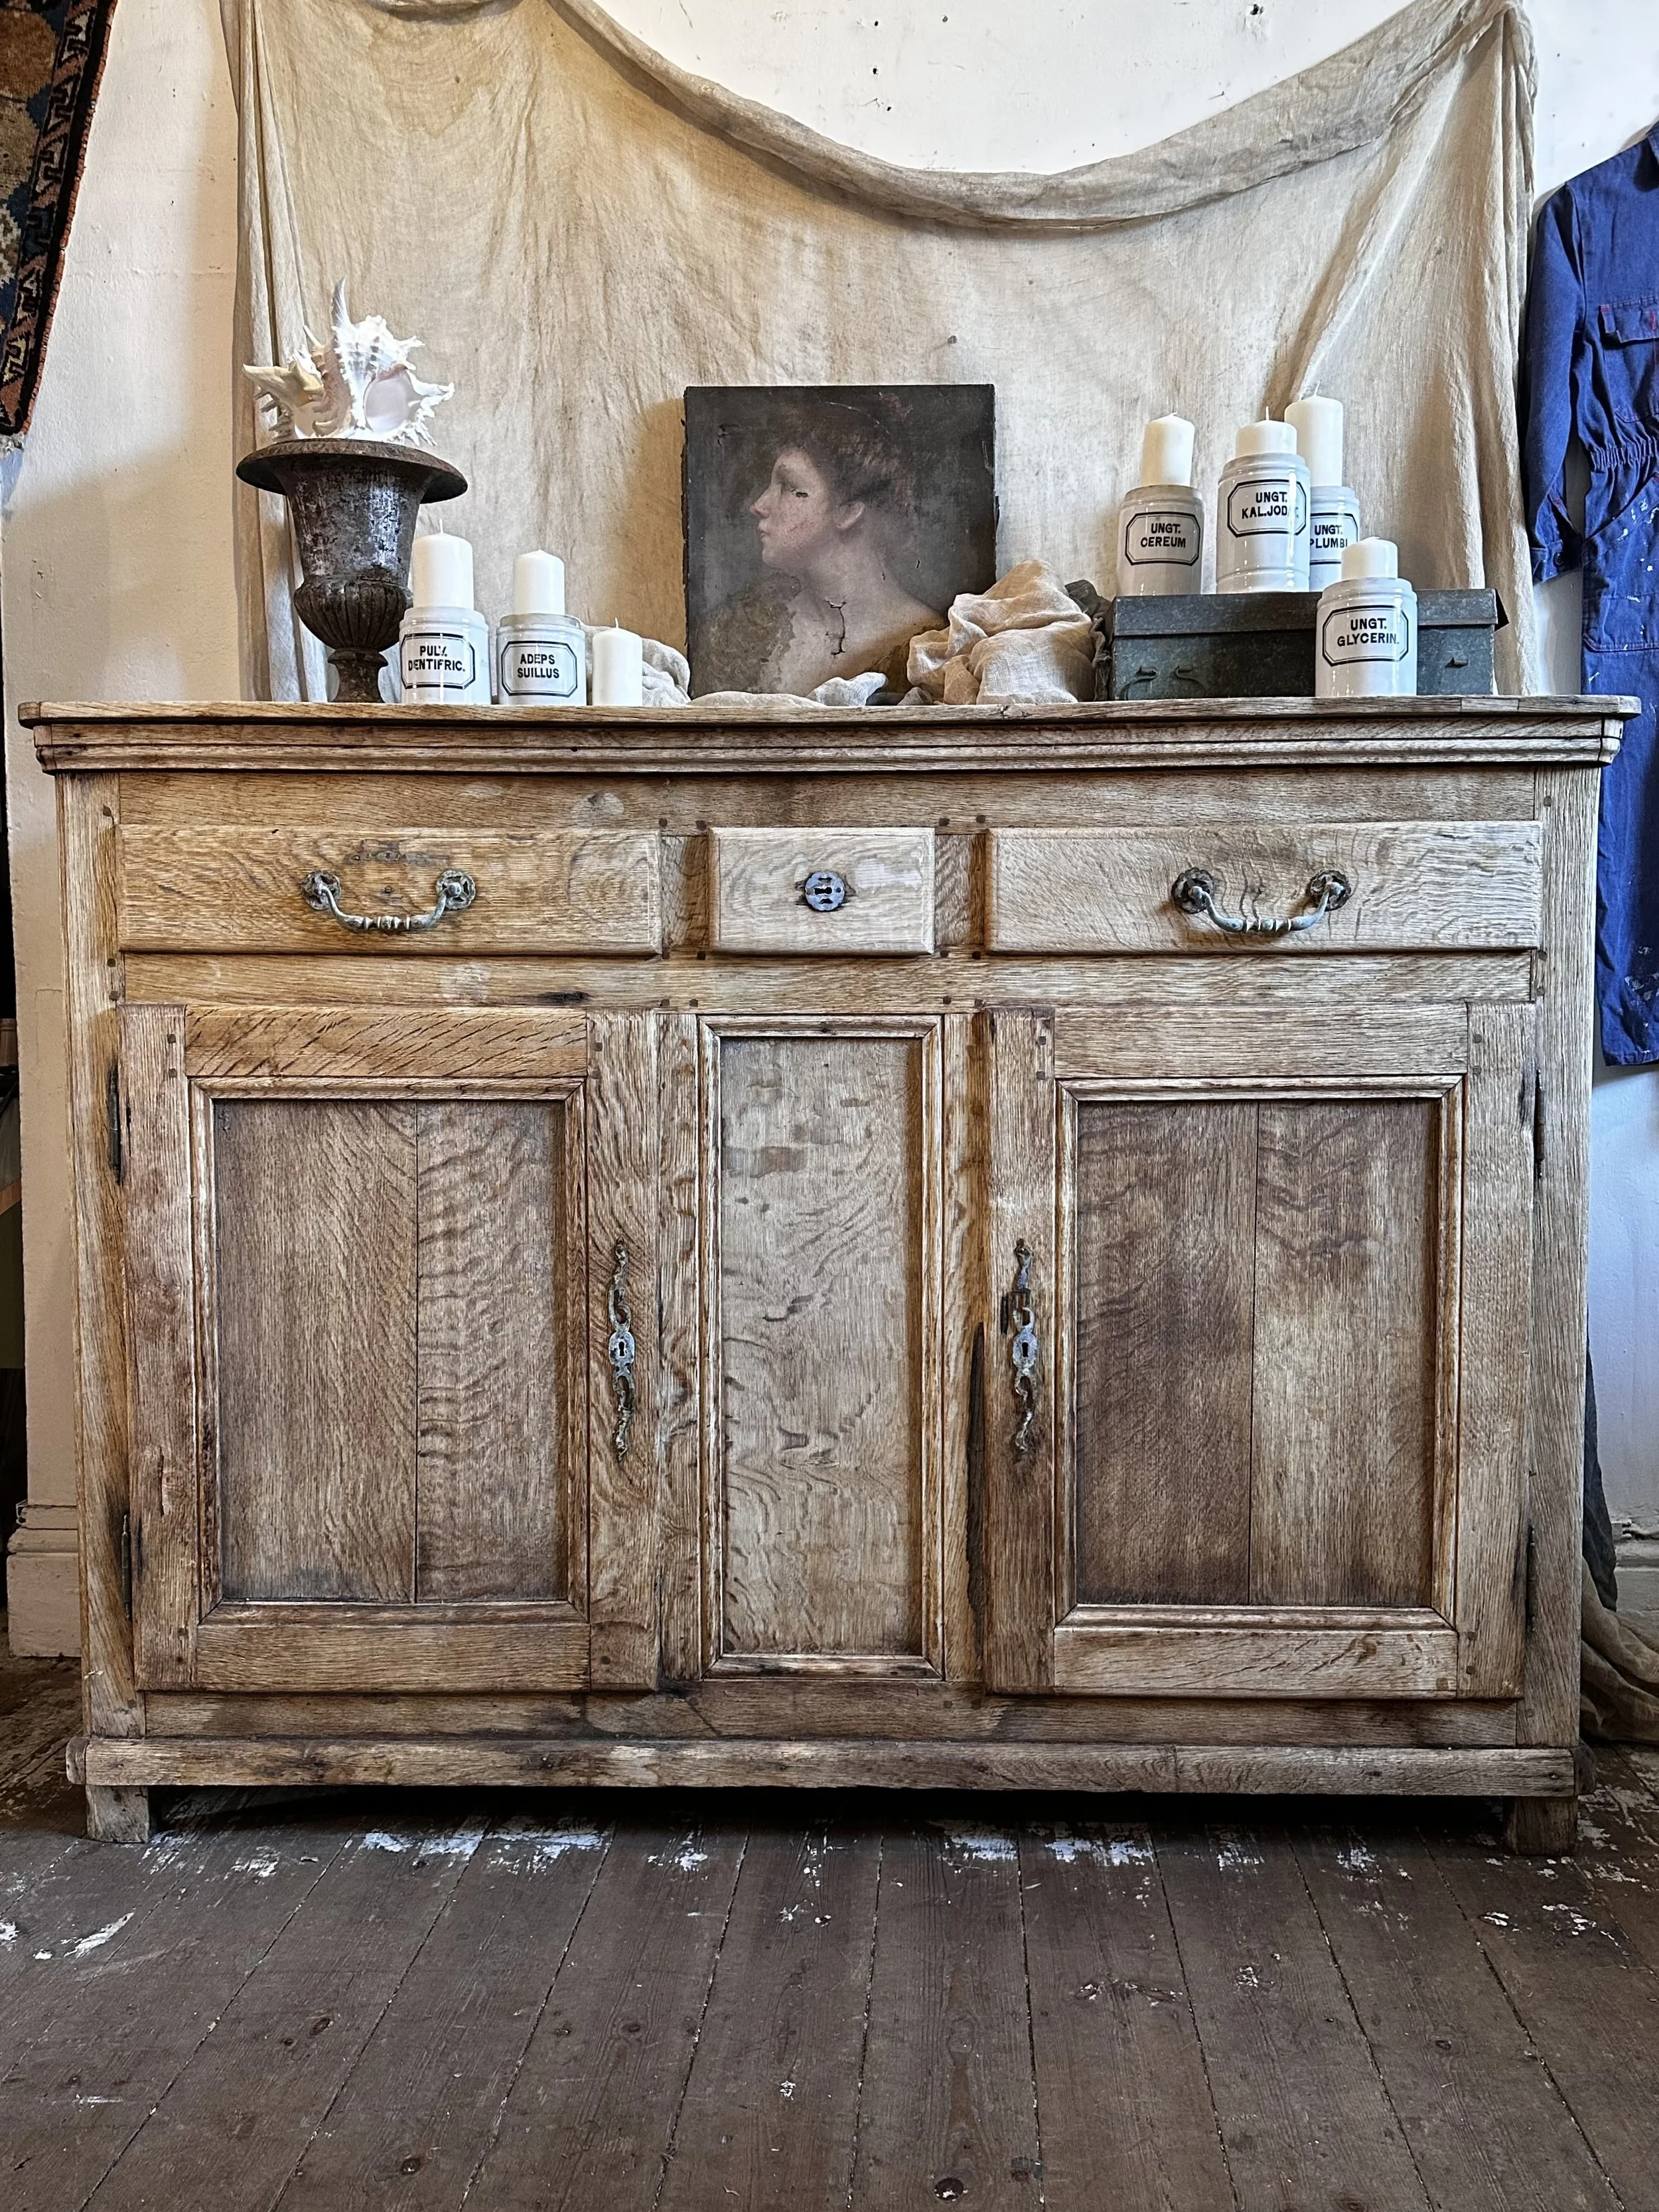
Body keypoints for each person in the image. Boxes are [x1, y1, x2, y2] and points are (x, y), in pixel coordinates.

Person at [701, 398, 943, 695]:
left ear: (848, 510)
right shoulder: (749, 627)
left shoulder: (928, 646)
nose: (758, 505)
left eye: (790, 488)